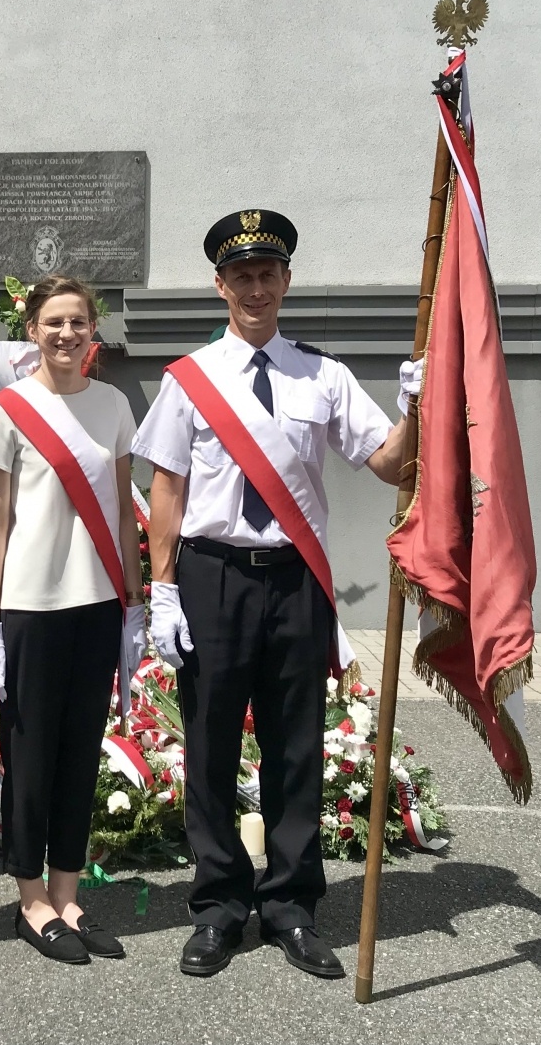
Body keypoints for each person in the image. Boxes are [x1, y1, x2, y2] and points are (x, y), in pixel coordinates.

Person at [133, 209, 415, 980]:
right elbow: (167, 489)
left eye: (269, 274)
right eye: (242, 276)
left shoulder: (322, 375)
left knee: (297, 747)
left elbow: (388, 464)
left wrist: (416, 411)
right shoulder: (188, 379)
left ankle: (291, 907)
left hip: (294, 579)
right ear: (220, 286)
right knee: (211, 745)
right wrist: (161, 592)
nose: (256, 288)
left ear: (286, 281)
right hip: (213, 575)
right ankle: (220, 907)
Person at [0, 275, 146, 966]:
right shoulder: (6, 410)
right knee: (32, 759)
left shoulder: (113, 406)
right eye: (54, 323)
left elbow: (122, 511)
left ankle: (68, 892)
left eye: (78, 321)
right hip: (30, 607)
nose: (67, 334)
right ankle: (30, 900)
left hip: (99, 604)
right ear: (32, 329)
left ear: (92, 328)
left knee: (81, 754)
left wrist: (136, 607)